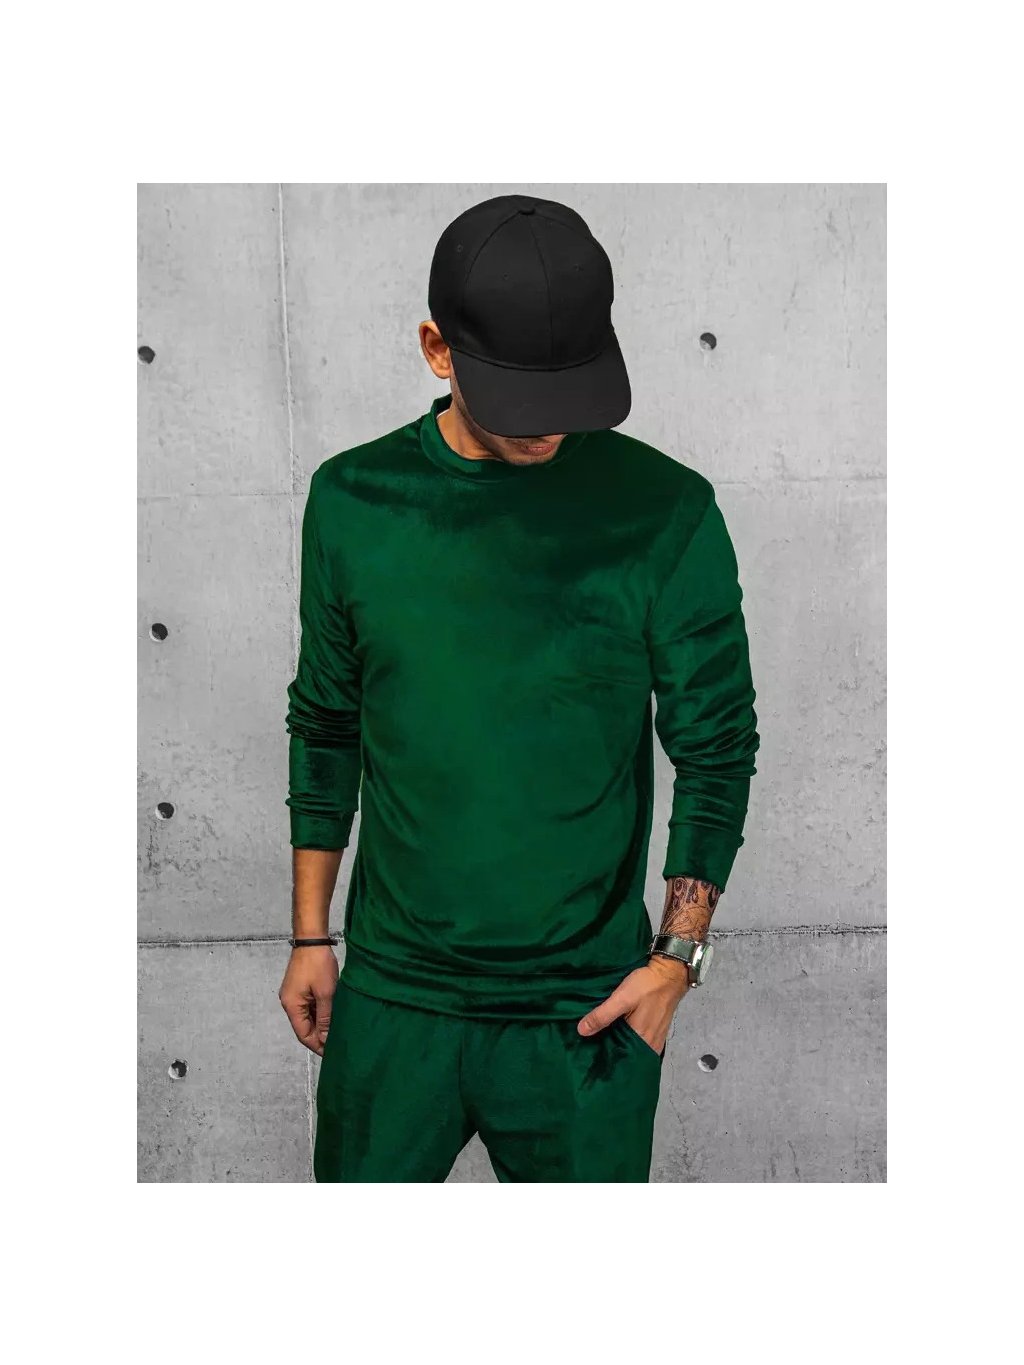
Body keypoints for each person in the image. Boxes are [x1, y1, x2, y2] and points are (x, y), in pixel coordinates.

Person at [278, 192, 760, 1182]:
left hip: (583, 1012)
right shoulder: (353, 503)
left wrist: (676, 961)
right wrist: (309, 935)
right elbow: (325, 723)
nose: (547, 429)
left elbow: (716, 744)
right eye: (518, 398)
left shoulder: (664, 512)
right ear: (438, 350)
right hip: (395, 1001)